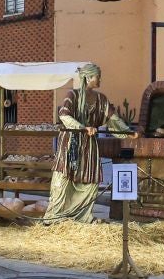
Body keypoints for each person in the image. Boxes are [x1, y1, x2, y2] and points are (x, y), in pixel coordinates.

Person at [41, 62, 131, 224]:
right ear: (88, 77)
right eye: (98, 76)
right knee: (64, 180)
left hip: (89, 146)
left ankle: (81, 217)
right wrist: (82, 128)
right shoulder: (72, 95)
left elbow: (113, 118)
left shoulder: (101, 99)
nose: (100, 79)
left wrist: (128, 132)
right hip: (70, 144)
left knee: (90, 181)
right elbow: (64, 115)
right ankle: (55, 217)